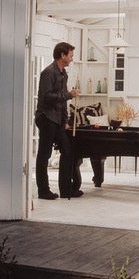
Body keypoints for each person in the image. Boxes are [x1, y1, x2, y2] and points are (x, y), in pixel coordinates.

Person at [35, 42, 83, 199]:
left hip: (57, 120)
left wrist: (66, 120)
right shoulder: (48, 73)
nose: (71, 58)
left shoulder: (64, 74)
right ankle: (43, 191)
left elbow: (62, 102)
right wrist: (70, 94)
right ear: (63, 56)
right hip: (46, 117)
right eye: (70, 55)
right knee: (44, 154)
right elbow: (47, 97)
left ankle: (66, 190)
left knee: (68, 151)